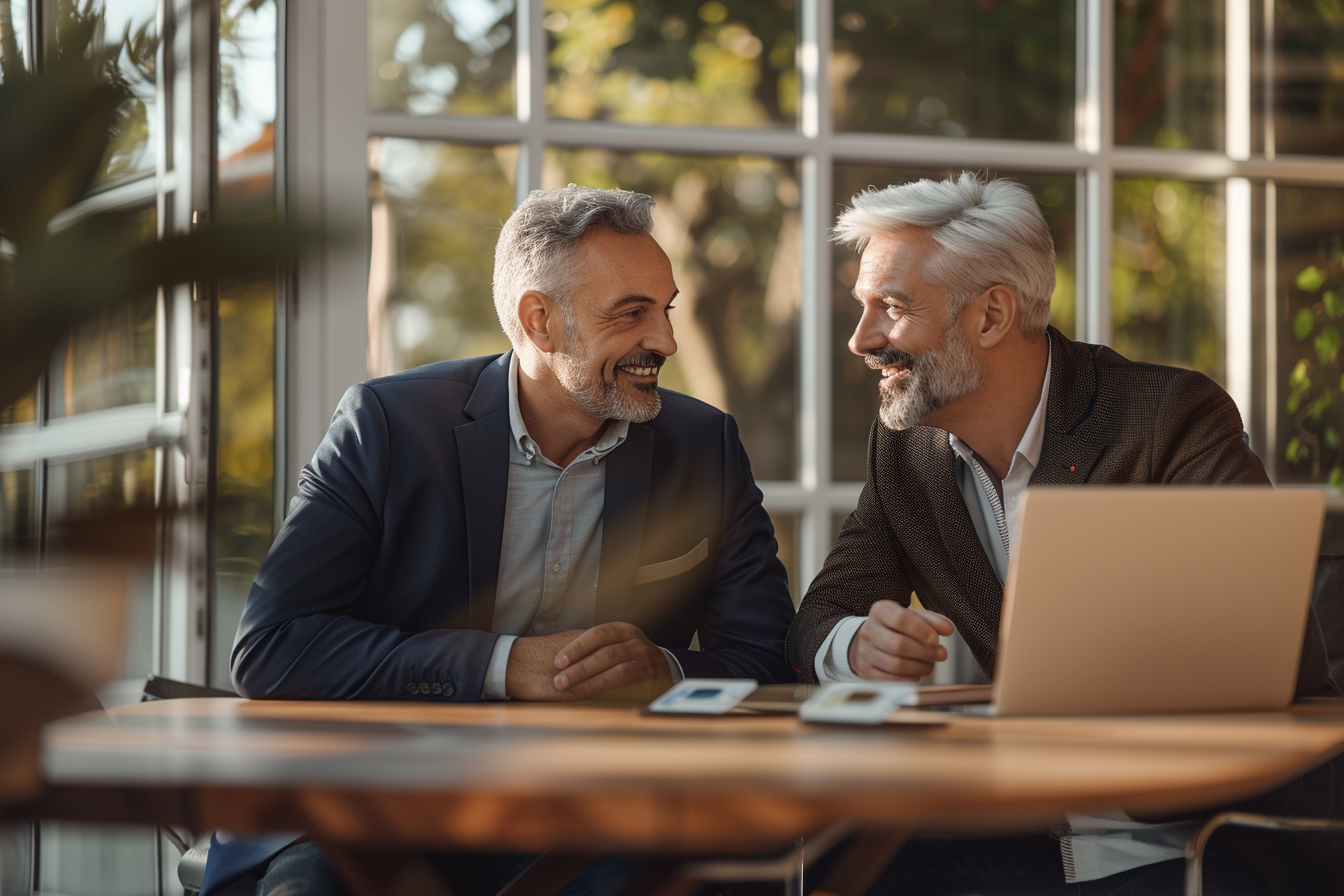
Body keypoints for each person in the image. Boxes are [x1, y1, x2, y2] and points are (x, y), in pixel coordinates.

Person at [202, 185, 796, 896]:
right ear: (539, 321)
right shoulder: (388, 426)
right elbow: (274, 646)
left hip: (597, 814)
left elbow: (771, 662)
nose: (664, 341)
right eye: (631, 314)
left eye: (664, 310)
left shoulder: (704, 447)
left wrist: (666, 672)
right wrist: (504, 666)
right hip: (369, 804)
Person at [785, 173, 1342, 895]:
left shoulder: (1168, 419)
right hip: (1026, 830)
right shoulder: (907, 451)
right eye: (863, 309)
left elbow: (1268, 652)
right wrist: (855, 643)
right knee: (828, 861)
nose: (862, 341)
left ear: (991, 317)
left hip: (1195, 837)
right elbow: (815, 623)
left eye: (890, 309)